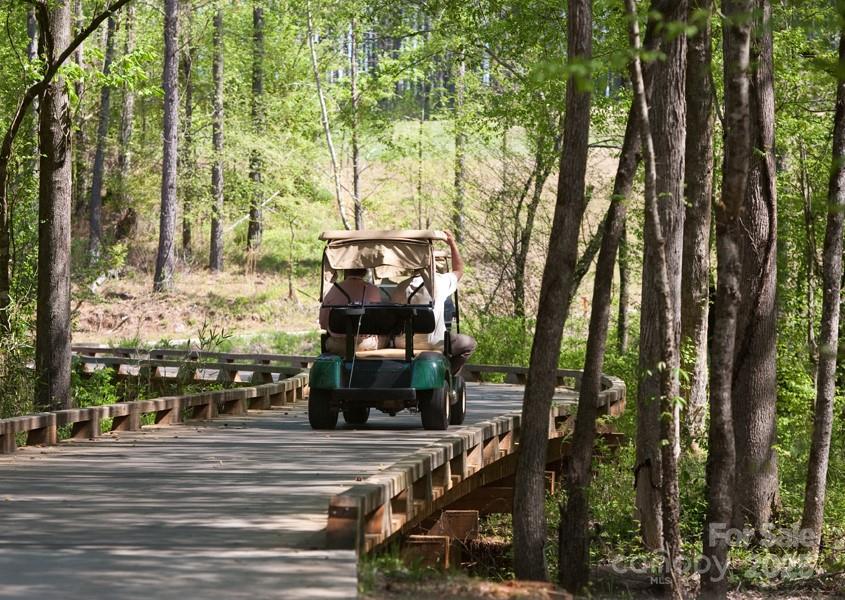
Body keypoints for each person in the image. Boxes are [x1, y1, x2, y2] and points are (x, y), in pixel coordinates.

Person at [396, 231, 476, 374]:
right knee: (469, 343)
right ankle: (448, 373)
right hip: (433, 343)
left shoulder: (400, 287)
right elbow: (459, 270)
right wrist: (452, 243)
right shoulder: (439, 282)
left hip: (402, 343)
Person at [320, 268, 382, 354]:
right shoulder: (373, 290)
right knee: (386, 338)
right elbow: (379, 322)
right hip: (364, 344)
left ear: (345, 270)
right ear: (365, 272)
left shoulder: (333, 290)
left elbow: (323, 323)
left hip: (336, 344)